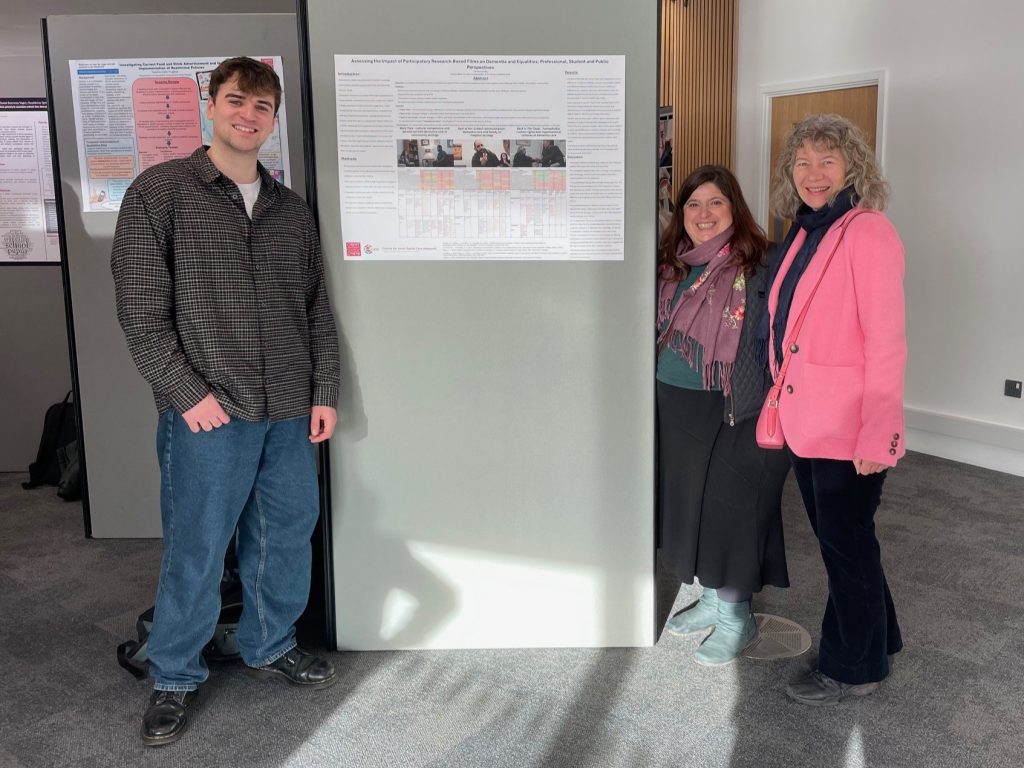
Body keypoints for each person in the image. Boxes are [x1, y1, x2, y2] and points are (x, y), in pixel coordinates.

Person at [111, 57, 341, 746]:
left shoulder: (289, 209)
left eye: (262, 106)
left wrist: (322, 392)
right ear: (211, 105)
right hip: (209, 412)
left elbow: (316, 310)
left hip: (290, 410)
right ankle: (175, 675)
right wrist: (187, 395)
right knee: (198, 547)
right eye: (237, 100)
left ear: (273, 120)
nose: (249, 115)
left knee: (286, 532)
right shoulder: (159, 194)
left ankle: (270, 644)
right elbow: (141, 313)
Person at [767, 113, 905, 705]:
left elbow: (886, 342)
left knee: (845, 546)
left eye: (828, 160)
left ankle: (854, 668)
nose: (813, 173)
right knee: (849, 540)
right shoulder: (806, 231)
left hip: (848, 428)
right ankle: (882, 636)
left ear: (853, 166)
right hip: (808, 421)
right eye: (803, 161)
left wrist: (878, 438)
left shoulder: (867, 231)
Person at [657, 165, 791, 665]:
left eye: (716, 202)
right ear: (682, 213)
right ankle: (712, 597)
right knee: (694, 506)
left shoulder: (763, 263)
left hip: (740, 406)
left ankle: (738, 614)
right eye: (693, 204)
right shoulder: (671, 265)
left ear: (734, 207)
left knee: (733, 509)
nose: (704, 214)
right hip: (677, 403)